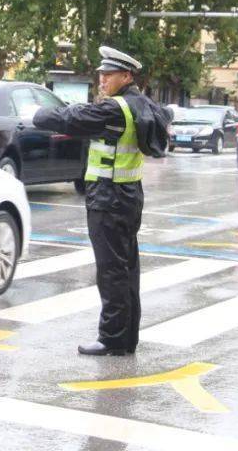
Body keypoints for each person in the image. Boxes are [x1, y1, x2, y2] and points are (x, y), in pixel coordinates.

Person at [33, 46, 171, 356]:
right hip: (129, 196)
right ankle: (126, 337)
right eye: (101, 74)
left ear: (126, 75)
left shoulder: (114, 109)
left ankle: (112, 339)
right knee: (126, 269)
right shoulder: (143, 104)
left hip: (108, 199)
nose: (102, 80)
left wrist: (39, 113)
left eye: (108, 75)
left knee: (111, 271)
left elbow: (69, 118)